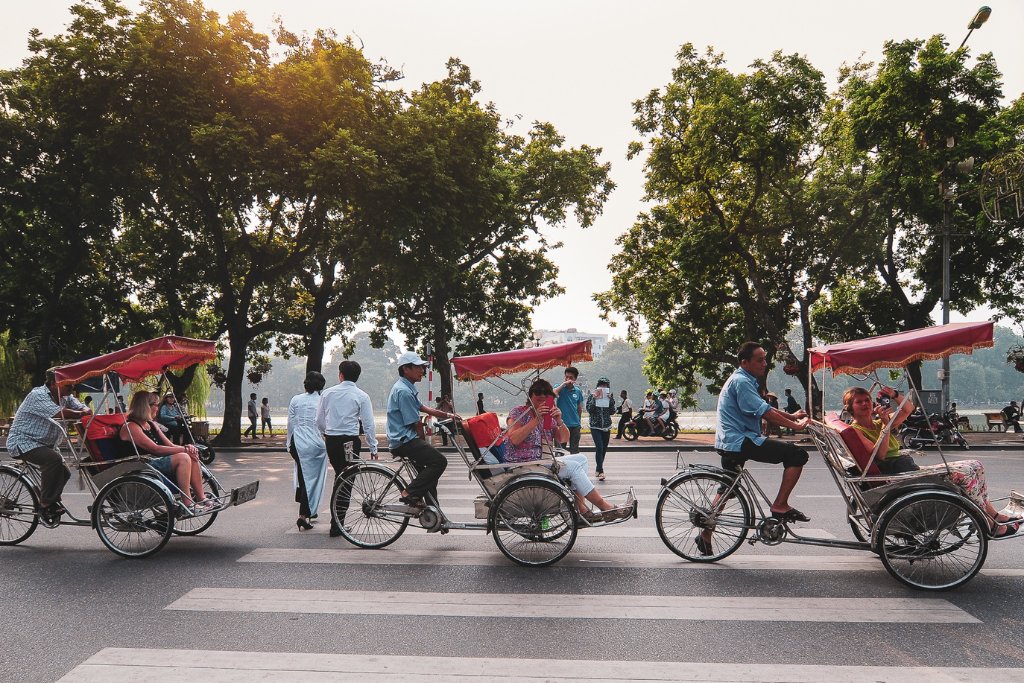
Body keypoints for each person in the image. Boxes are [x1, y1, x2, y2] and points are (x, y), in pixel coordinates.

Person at [845, 386, 1019, 537]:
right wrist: (885, 425)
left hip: (907, 468)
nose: (865, 404)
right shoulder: (857, 430)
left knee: (976, 465)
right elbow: (880, 455)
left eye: (867, 400)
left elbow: (908, 409)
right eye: (859, 402)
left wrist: (894, 394)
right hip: (899, 475)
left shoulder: (878, 423)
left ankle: (994, 515)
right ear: (850, 407)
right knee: (966, 475)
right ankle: (990, 523)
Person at [713, 342, 811, 526]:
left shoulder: (744, 380)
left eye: (764, 359)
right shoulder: (741, 382)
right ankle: (780, 505)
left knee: (728, 488)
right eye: (760, 360)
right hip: (740, 441)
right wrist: (796, 426)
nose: (765, 364)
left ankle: (705, 533)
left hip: (731, 441)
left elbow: (764, 408)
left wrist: (791, 416)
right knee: (797, 455)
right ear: (744, 362)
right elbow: (766, 413)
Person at [506, 379, 631, 522]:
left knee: (581, 459)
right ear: (530, 395)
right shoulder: (518, 412)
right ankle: (605, 507)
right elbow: (514, 438)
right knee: (573, 468)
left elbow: (563, 438)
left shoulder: (549, 415)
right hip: (524, 464)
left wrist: (559, 420)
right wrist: (536, 419)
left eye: (546, 393)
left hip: (543, 460)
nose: (541, 395)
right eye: (537, 392)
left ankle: (580, 509)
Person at [6, 371, 93, 524]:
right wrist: (80, 414)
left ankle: (51, 501)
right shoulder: (38, 395)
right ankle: (45, 504)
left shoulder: (66, 396)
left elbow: (84, 408)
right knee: (53, 460)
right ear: (54, 383)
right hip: (24, 441)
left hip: (46, 444)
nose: (72, 387)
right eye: (68, 384)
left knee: (65, 472)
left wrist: (84, 410)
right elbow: (60, 413)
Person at [119, 391, 214, 513]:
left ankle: (201, 498)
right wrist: (184, 450)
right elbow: (155, 449)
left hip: (156, 461)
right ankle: (188, 503)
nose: (158, 408)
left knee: (191, 456)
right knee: (183, 457)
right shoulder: (131, 427)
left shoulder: (151, 424)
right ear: (146, 406)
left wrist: (188, 447)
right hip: (142, 464)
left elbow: (169, 445)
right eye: (156, 405)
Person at [317, 360, 379, 536]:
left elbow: (319, 420)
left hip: (332, 440)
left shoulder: (327, 394)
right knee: (346, 480)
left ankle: (336, 522)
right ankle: (337, 524)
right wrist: (373, 446)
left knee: (339, 476)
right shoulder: (361, 396)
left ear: (340, 375)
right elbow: (368, 424)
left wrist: (326, 433)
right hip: (350, 442)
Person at [386, 351, 454, 509]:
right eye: (418, 367)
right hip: (404, 441)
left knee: (429, 475)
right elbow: (416, 424)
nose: (422, 371)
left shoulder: (406, 388)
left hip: (405, 439)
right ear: (406, 369)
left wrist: (449, 415)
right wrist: (424, 444)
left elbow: (425, 408)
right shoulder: (403, 391)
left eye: (422, 368)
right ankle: (409, 493)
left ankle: (434, 512)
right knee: (439, 462)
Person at [288, 372, 328, 531]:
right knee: (311, 480)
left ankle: (308, 509)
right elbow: (323, 424)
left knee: (302, 476)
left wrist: (288, 444)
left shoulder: (295, 399)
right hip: (315, 445)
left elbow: (290, 424)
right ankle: (303, 515)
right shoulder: (322, 400)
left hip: (296, 443)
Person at [586, 377, 616, 481]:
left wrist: (610, 400)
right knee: (599, 447)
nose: (603, 387)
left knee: (604, 448)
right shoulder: (592, 396)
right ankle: (600, 470)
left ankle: (598, 469)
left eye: (605, 385)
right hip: (595, 426)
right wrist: (595, 399)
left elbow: (612, 411)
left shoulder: (609, 397)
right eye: (601, 385)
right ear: (598, 386)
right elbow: (589, 410)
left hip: (606, 426)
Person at [553, 367, 584, 453]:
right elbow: (552, 393)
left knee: (574, 450)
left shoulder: (577, 391)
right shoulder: (559, 388)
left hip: (575, 426)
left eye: (571, 378)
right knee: (560, 451)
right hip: (561, 424)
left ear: (575, 379)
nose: (568, 379)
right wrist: (563, 384)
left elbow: (579, 408)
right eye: (566, 377)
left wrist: (579, 421)